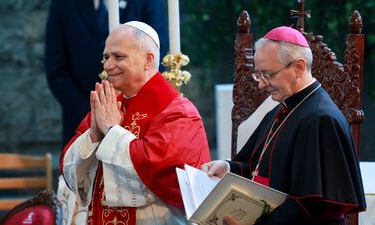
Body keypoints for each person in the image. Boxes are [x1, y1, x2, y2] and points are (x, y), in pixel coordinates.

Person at [202, 26, 366, 225]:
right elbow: (259, 168)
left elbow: (311, 205)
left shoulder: (322, 120)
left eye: (268, 74)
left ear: (298, 67)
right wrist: (228, 167)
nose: (261, 85)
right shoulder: (283, 109)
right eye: (258, 75)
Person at [60, 21, 211, 225]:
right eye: (106, 57)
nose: (107, 65)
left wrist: (112, 131)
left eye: (118, 56)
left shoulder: (179, 113)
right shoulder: (110, 106)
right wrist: (94, 136)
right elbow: (70, 168)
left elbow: (161, 173)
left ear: (148, 60)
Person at [45, 0, 169, 145]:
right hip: (80, 121)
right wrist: (93, 115)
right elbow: (56, 69)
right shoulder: (64, 4)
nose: (109, 65)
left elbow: (156, 58)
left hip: (139, 122)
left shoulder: (148, 2)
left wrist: (131, 112)